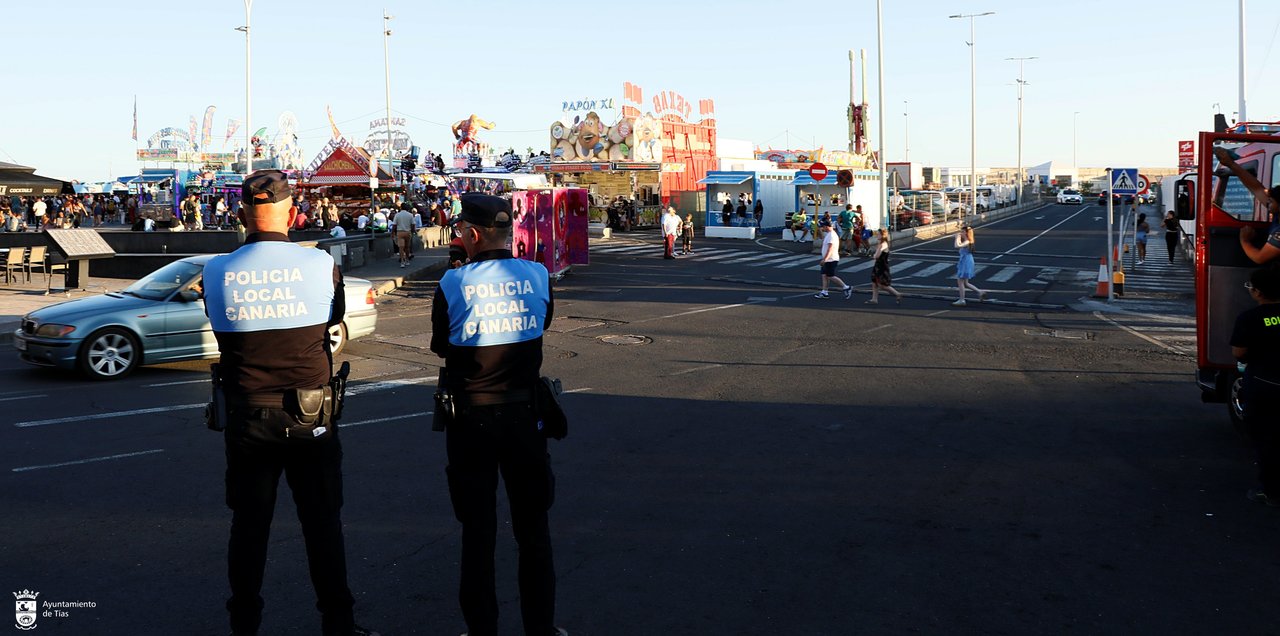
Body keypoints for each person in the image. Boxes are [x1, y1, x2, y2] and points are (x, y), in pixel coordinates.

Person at [202, 170, 377, 636]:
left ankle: (244, 626)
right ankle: (339, 625)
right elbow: (333, 317)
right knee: (323, 526)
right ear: (294, 212)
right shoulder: (321, 265)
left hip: (247, 417)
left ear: (241, 214)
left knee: (249, 528)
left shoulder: (216, 270)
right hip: (311, 417)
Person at [429, 194, 565, 636]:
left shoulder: (452, 284)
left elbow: (441, 346)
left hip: (471, 421)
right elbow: (541, 323)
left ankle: (482, 628)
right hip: (526, 417)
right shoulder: (539, 275)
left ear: (471, 234)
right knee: (534, 531)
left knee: (478, 532)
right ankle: (540, 629)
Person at [1230, 265, 1280, 508]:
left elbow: (1239, 352)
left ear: (1258, 292)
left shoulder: (1250, 318)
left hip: (1263, 385)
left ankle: (1270, 491)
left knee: (1265, 439)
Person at [1214, 146, 1280, 264]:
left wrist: (1245, 241)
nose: (1267, 202)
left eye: (1271, 200)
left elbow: (1260, 258)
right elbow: (1256, 188)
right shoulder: (1277, 215)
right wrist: (1230, 164)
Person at [813, 220, 853, 299]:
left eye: (822, 227)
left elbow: (830, 248)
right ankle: (824, 292)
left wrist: (825, 259)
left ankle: (846, 287)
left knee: (830, 275)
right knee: (824, 275)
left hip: (831, 259)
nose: (822, 228)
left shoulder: (831, 235)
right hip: (829, 259)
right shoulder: (829, 234)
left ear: (826, 226)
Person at [953, 225, 988, 306]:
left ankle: (962, 300)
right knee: (965, 283)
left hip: (966, 261)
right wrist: (958, 238)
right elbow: (958, 245)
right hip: (965, 261)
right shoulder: (967, 241)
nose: (961, 233)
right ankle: (980, 292)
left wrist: (956, 238)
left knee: (960, 281)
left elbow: (956, 246)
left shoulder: (968, 241)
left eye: (962, 232)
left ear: (966, 233)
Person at [868, 227, 903, 304]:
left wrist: (874, 254)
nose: (877, 235)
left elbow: (876, 256)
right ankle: (874, 299)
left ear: (882, 235)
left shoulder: (883, 244)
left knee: (882, 285)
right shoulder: (880, 243)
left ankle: (897, 294)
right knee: (874, 283)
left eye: (878, 234)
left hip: (882, 267)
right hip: (878, 265)